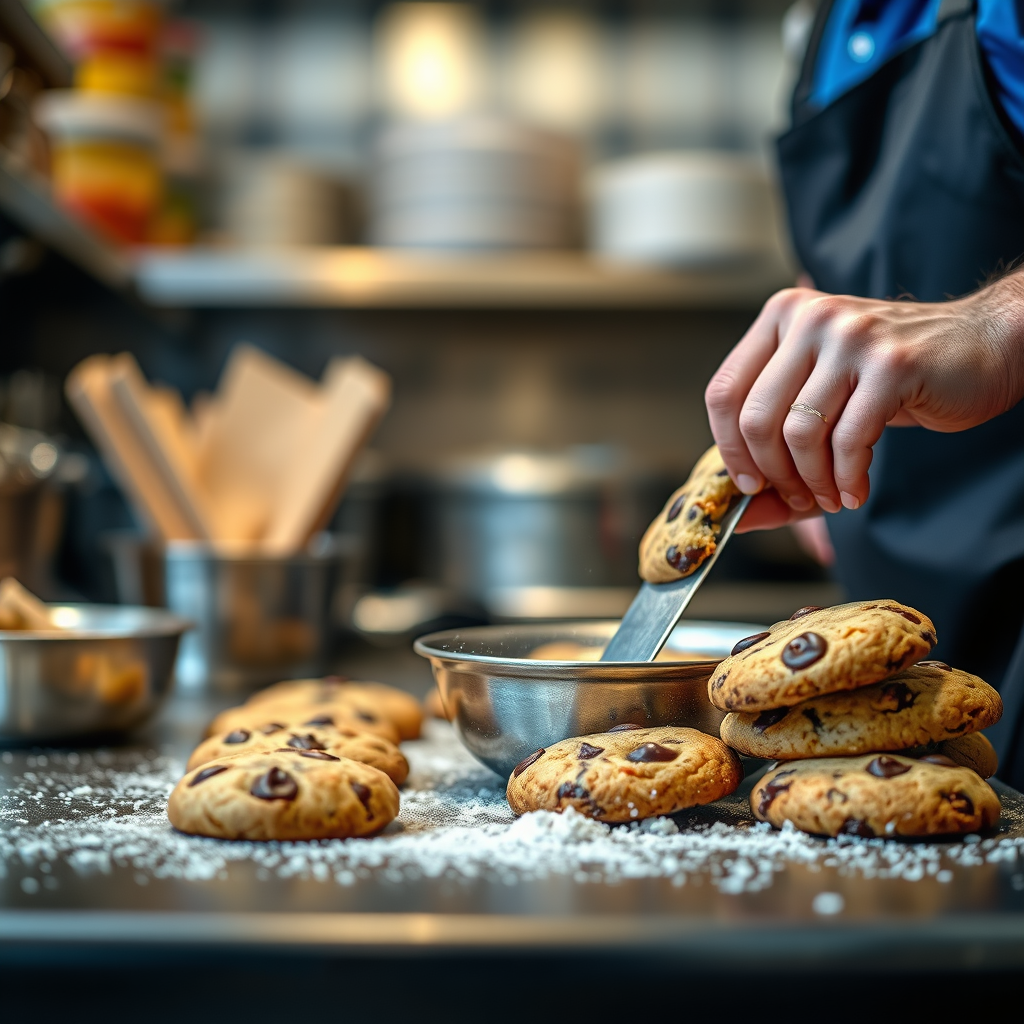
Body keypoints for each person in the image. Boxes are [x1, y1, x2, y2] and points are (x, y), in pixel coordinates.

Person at [705, 0, 1024, 781]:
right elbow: (857, 265)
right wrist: (803, 401)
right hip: (894, 592)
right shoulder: (819, 24)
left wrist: (997, 326)